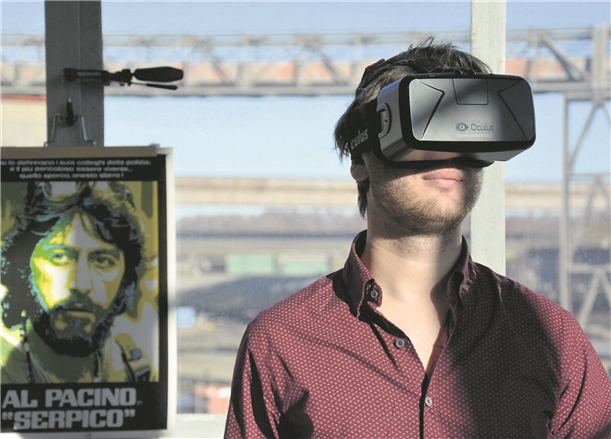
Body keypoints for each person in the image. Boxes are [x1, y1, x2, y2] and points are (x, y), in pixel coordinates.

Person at [224, 40, 611, 438]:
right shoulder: (281, 340)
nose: (450, 152)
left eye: (468, 129)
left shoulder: (550, 337)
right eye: (425, 124)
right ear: (360, 159)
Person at [1, 181, 154, 383]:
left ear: (126, 278)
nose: (81, 284)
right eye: (59, 257)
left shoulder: (135, 369)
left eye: (102, 260)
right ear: (22, 268)